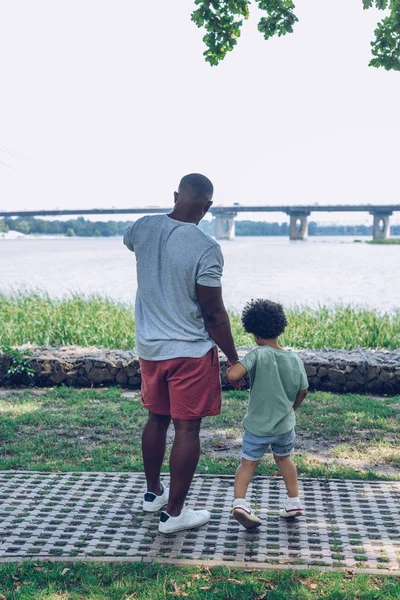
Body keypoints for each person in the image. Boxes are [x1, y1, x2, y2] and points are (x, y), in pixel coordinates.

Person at [124, 173, 240, 534]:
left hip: (150, 348)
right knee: (187, 429)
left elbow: (133, 242)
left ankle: (152, 493)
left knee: (156, 419)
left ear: (176, 195)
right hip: (189, 352)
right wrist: (234, 357)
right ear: (208, 207)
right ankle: (174, 514)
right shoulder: (206, 247)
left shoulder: (141, 228)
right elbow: (214, 313)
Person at [226, 299, 308, 529]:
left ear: (253, 332)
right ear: (279, 327)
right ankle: (294, 501)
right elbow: (303, 390)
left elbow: (233, 376)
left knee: (248, 463)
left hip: (257, 426)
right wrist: (291, 410)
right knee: (284, 459)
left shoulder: (257, 354)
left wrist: (232, 371)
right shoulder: (294, 359)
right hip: (284, 425)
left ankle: (240, 503)